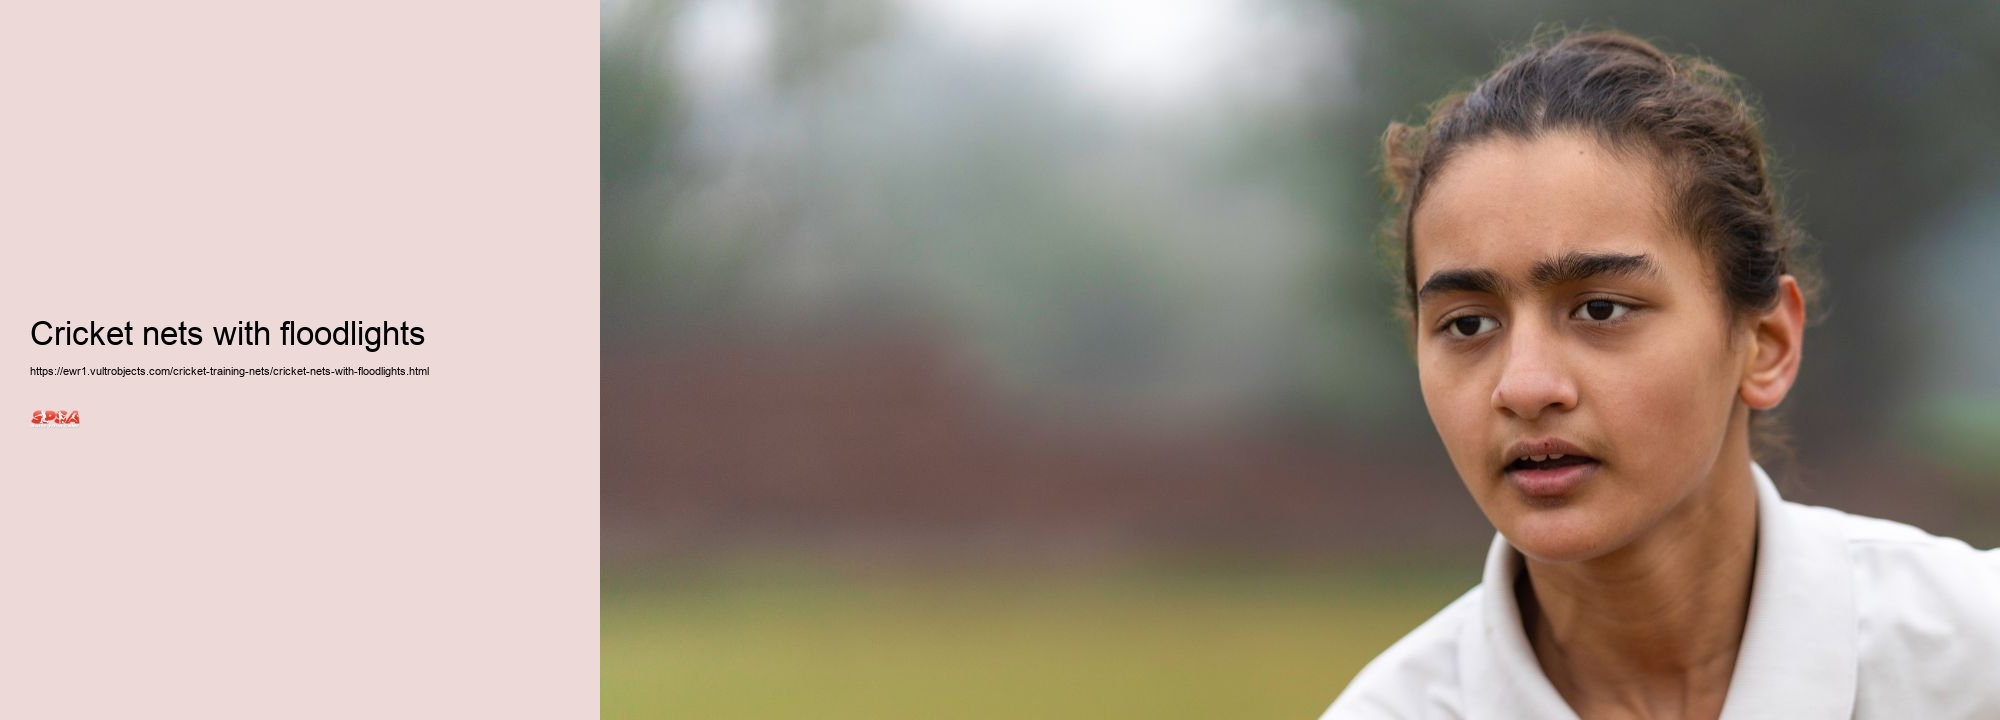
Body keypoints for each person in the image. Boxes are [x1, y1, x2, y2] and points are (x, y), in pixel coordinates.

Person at [1321, 29, 2000, 719]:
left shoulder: (1971, 658)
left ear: (1765, 343)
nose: (1523, 386)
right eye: (1468, 325)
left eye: (1601, 308)